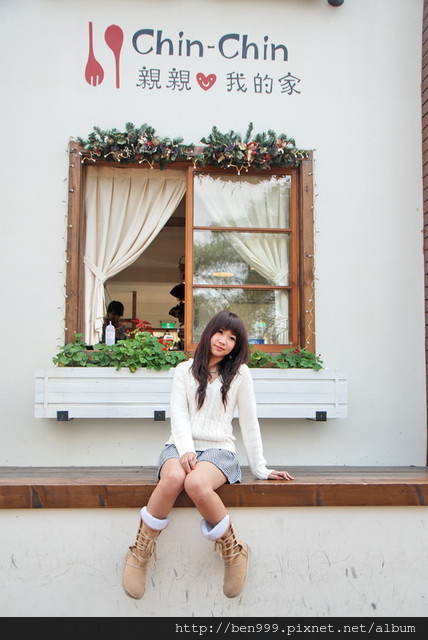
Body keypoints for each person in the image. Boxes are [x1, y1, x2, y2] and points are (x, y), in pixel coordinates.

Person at [122, 310, 294, 600]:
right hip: (179, 445)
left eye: (232, 338)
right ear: (209, 333)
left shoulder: (240, 374)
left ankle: (234, 550)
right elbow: (178, 414)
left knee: (195, 483)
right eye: (220, 333)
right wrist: (187, 449)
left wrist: (261, 468)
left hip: (219, 449)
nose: (223, 341)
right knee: (173, 478)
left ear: (237, 346)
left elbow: (249, 422)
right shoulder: (183, 370)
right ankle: (140, 552)